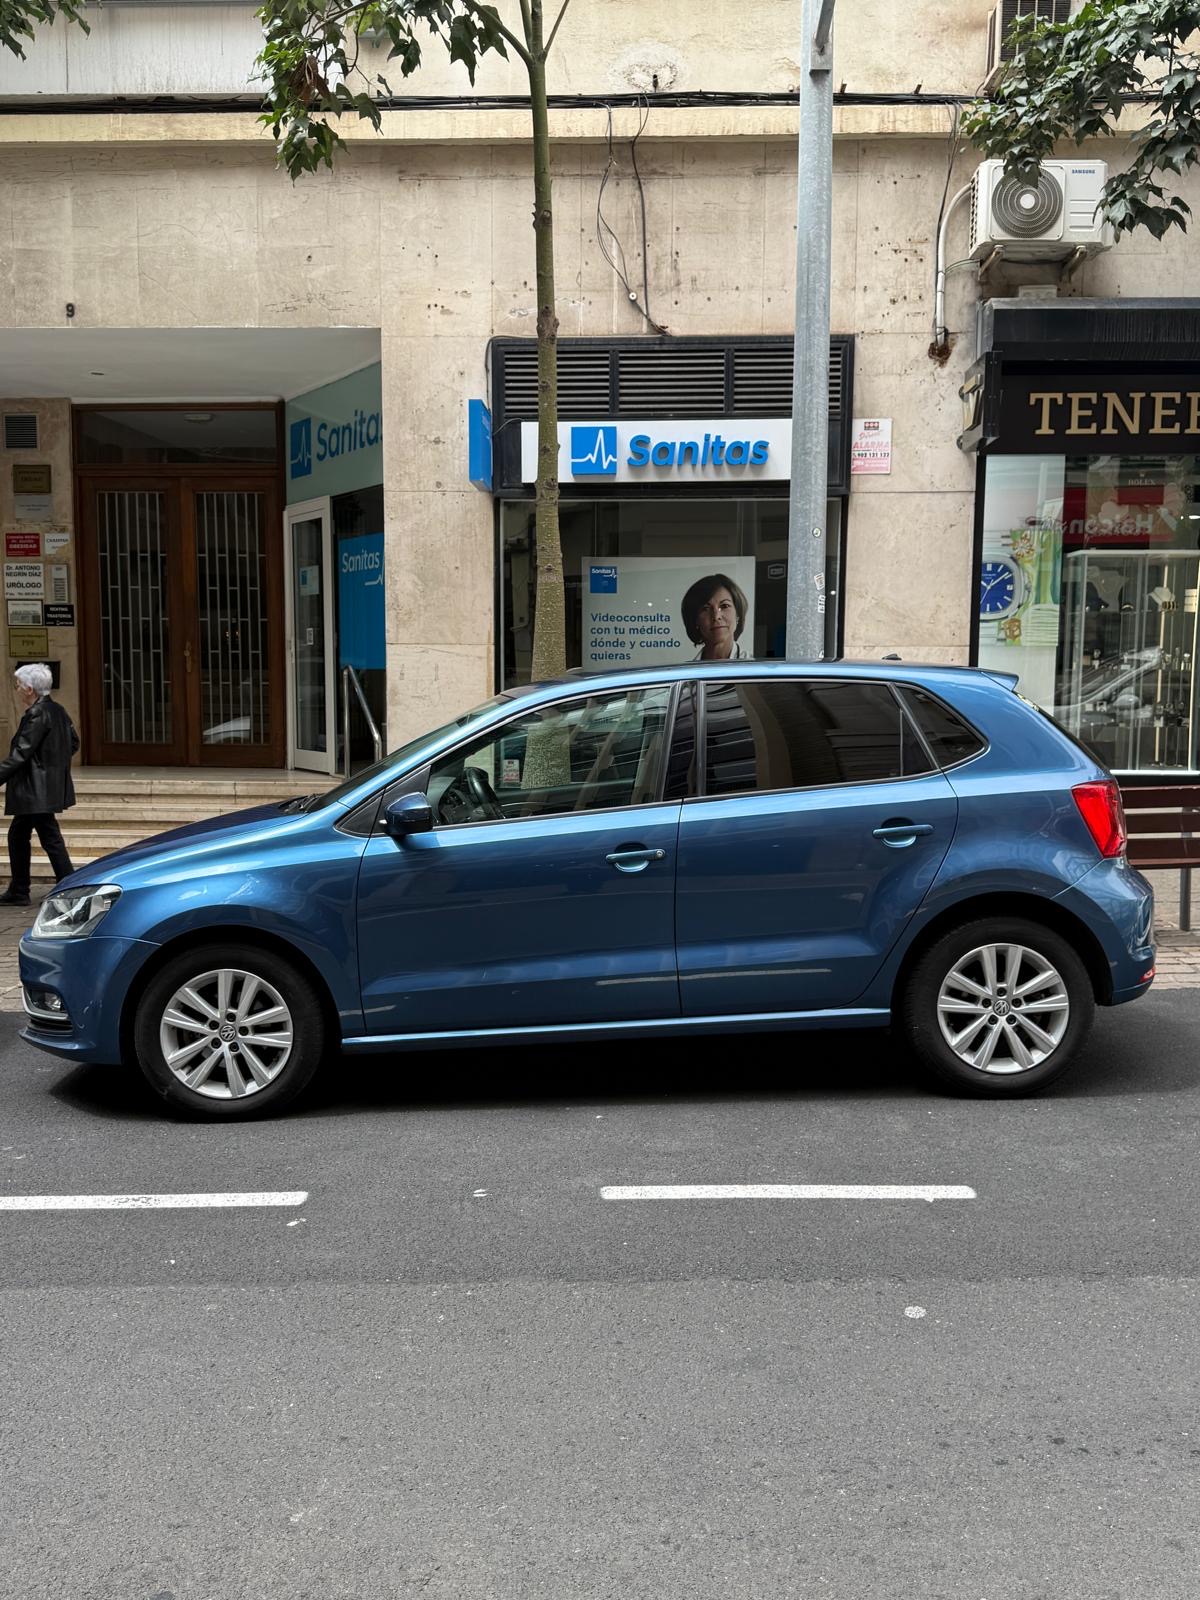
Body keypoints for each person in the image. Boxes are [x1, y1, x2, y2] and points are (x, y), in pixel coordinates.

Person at [0, 664, 78, 906]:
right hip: (42, 788)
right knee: (28, 835)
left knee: (43, 837)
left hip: (35, 790)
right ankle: (26, 888)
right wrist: (53, 764)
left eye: (18, 686)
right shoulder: (58, 710)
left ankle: (62, 886)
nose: (17, 690)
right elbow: (73, 743)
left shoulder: (37, 714)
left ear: (29, 688)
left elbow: (20, 754)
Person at [680, 572, 752, 661]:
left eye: (724, 606)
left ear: (738, 614)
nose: (716, 616)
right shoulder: (687, 673)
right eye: (706, 608)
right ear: (696, 620)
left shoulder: (755, 669)